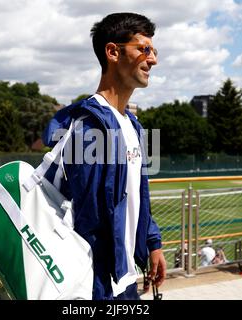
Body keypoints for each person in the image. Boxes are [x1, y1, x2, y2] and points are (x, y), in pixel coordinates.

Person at [42, 12, 166, 300]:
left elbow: (137, 195)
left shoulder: (132, 125)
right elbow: (87, 224)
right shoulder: (89, 127)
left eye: (154, 50)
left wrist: (152, 243)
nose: (153, 59)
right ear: (113, 52)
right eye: (143, 49)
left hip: (123, 279)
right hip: (96, 285)